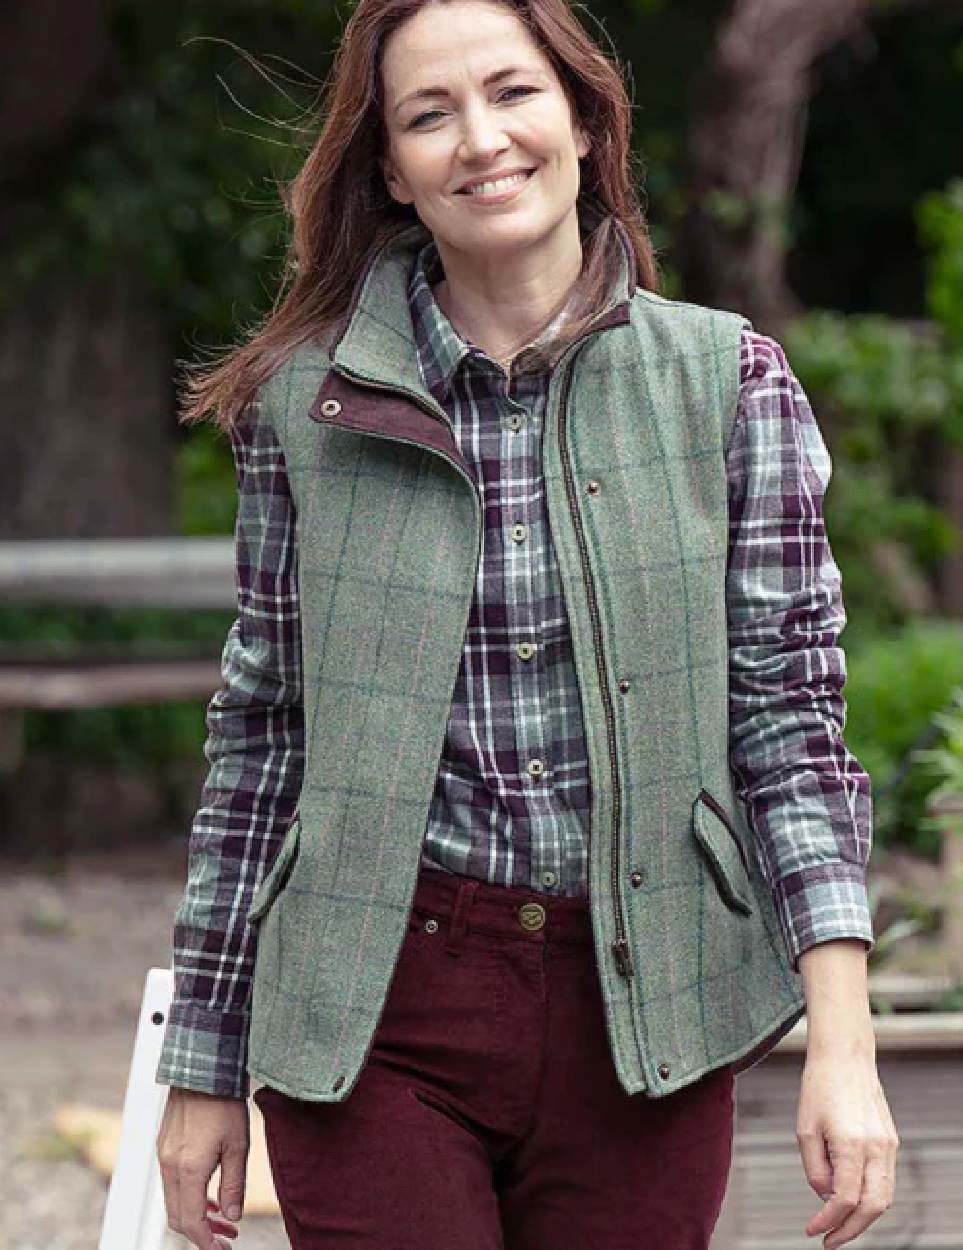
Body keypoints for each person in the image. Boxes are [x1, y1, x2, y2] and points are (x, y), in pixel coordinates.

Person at [154, 2, 900, 1248]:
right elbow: (261, 743)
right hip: (372, 1009)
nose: (480, 140)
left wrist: (845, 1041)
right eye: (429, 115)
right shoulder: (307, 407)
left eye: (512, 94)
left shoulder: (728, 380)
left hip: (646, 1011)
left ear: (583, 116)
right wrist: (203, 1060)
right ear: (390, 166)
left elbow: (789, 728)